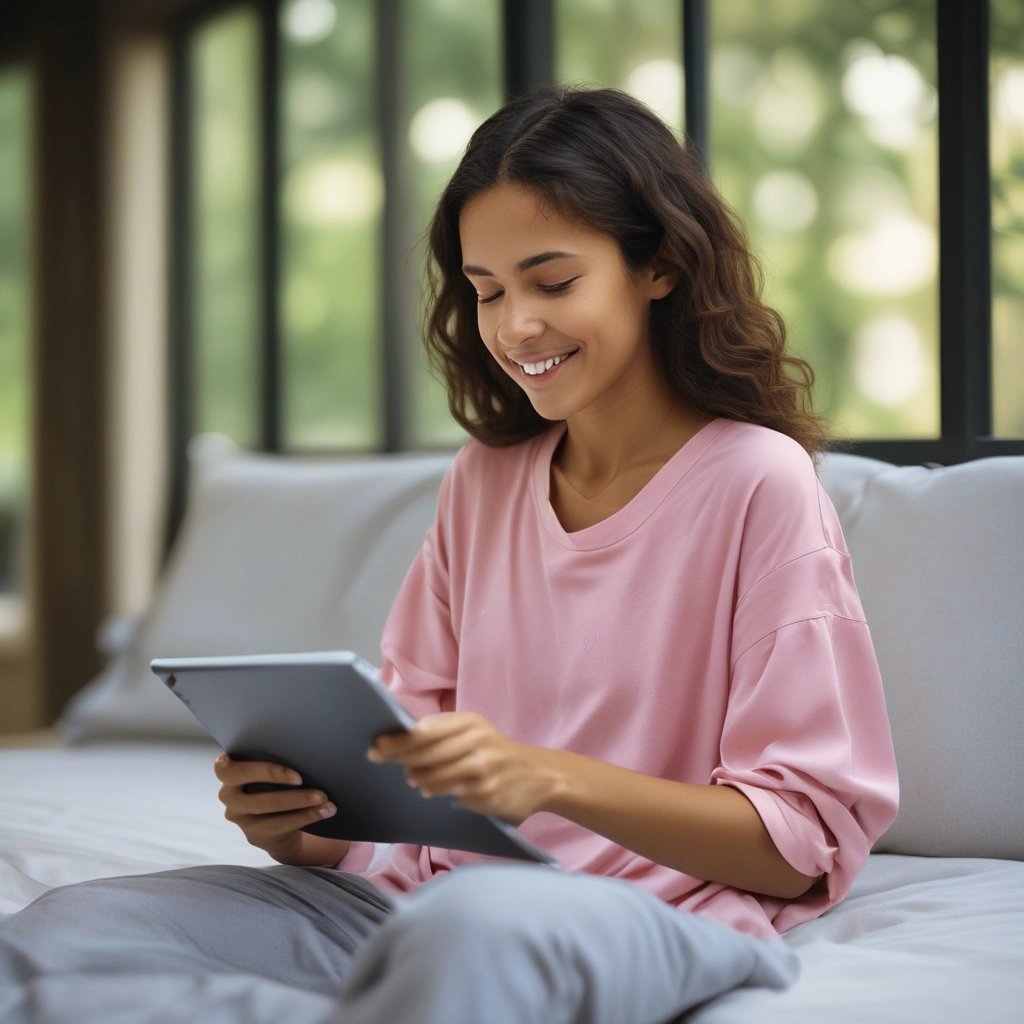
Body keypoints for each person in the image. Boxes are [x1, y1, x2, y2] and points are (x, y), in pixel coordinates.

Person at [0, 85, 898, 1024]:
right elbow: (407, 784)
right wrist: (308, 828)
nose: (514, 327)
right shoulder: (484, 480)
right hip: (413, 908)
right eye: (488, 290)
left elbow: (802, 840)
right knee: (75, 925)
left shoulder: (758, 481)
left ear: (660, 265)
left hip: (630, 915)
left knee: (475, 931)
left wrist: (550, 777)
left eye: (553, 282)